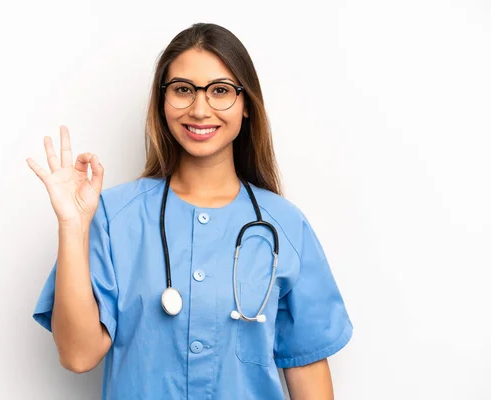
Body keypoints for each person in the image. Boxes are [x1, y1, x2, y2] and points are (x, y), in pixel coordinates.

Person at [26, 22, 353, 400]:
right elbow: (79, 355)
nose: (200, 109)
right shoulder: (112, 217)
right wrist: (72, 225)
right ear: (162, 102)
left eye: (220, 91)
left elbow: (308, 373)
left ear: (246, 105)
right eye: (183, 90)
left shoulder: (285, 226)